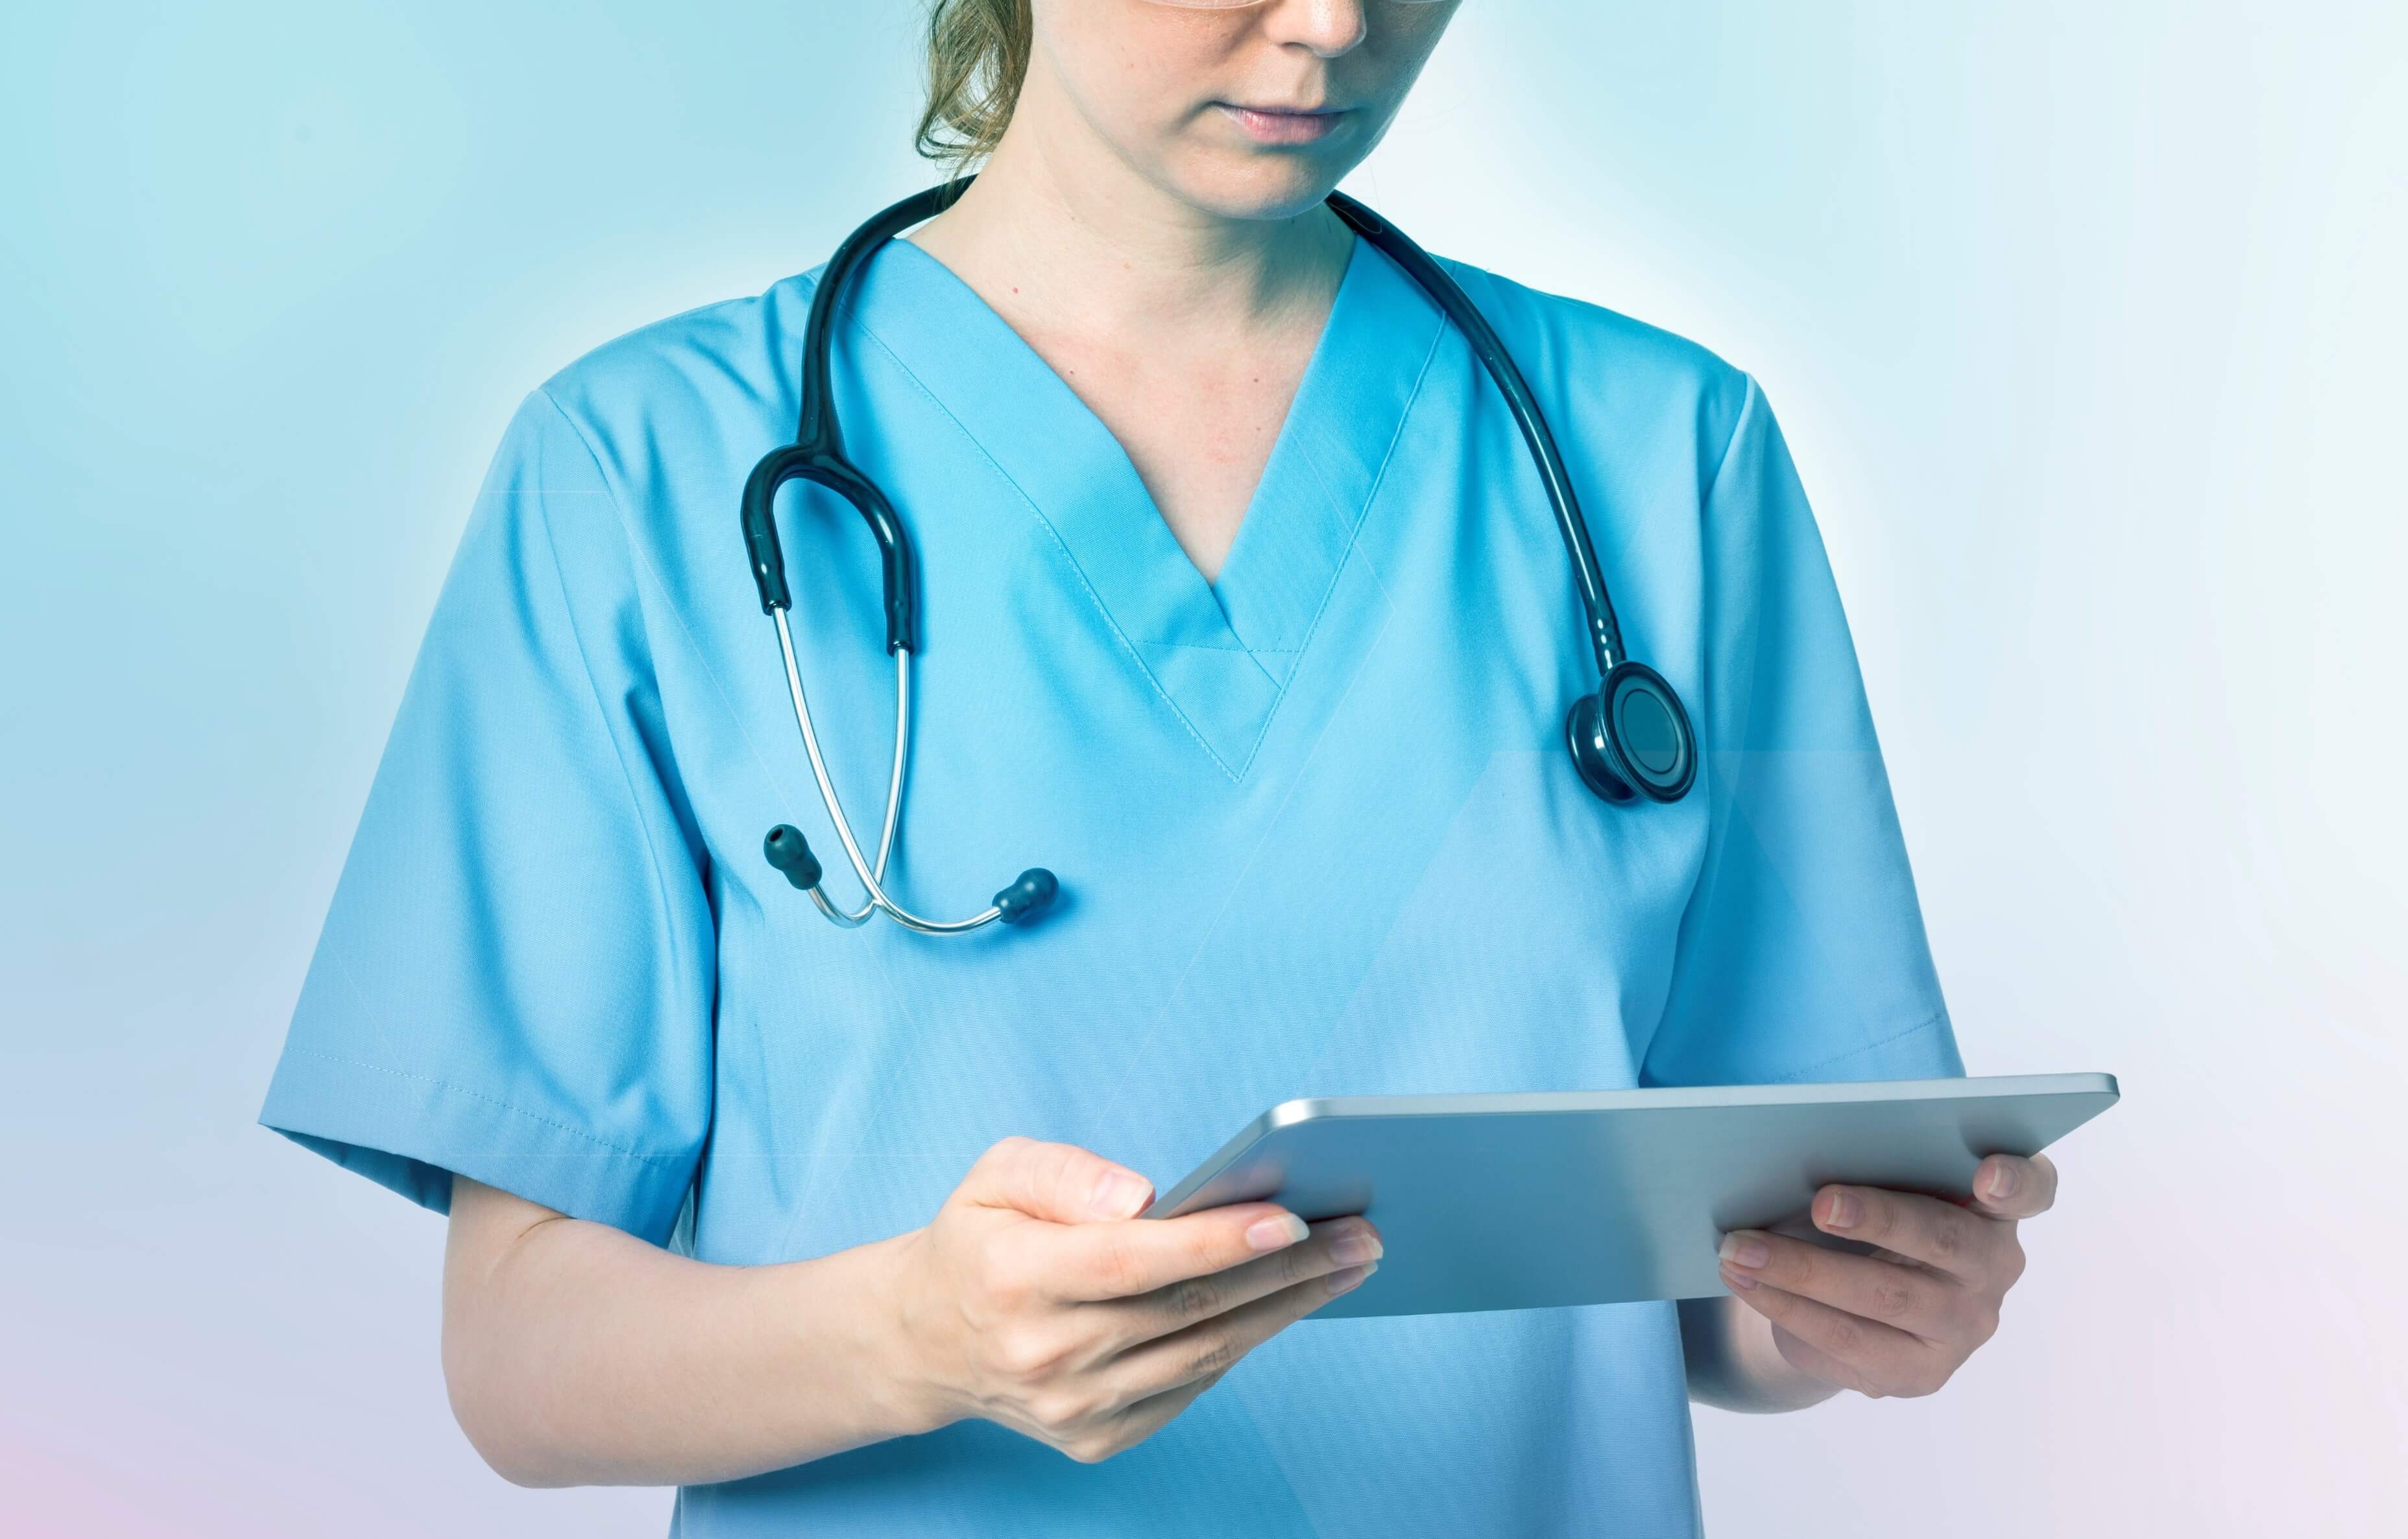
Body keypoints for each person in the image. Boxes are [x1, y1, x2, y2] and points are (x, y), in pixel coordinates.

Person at [259, 1, 2062, 1534]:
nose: (1335, 23)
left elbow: (1721, 1273)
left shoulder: (1668, 456)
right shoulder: (632, 473)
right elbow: (515, 1356)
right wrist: (925, 1335)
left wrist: (1851, 1309)